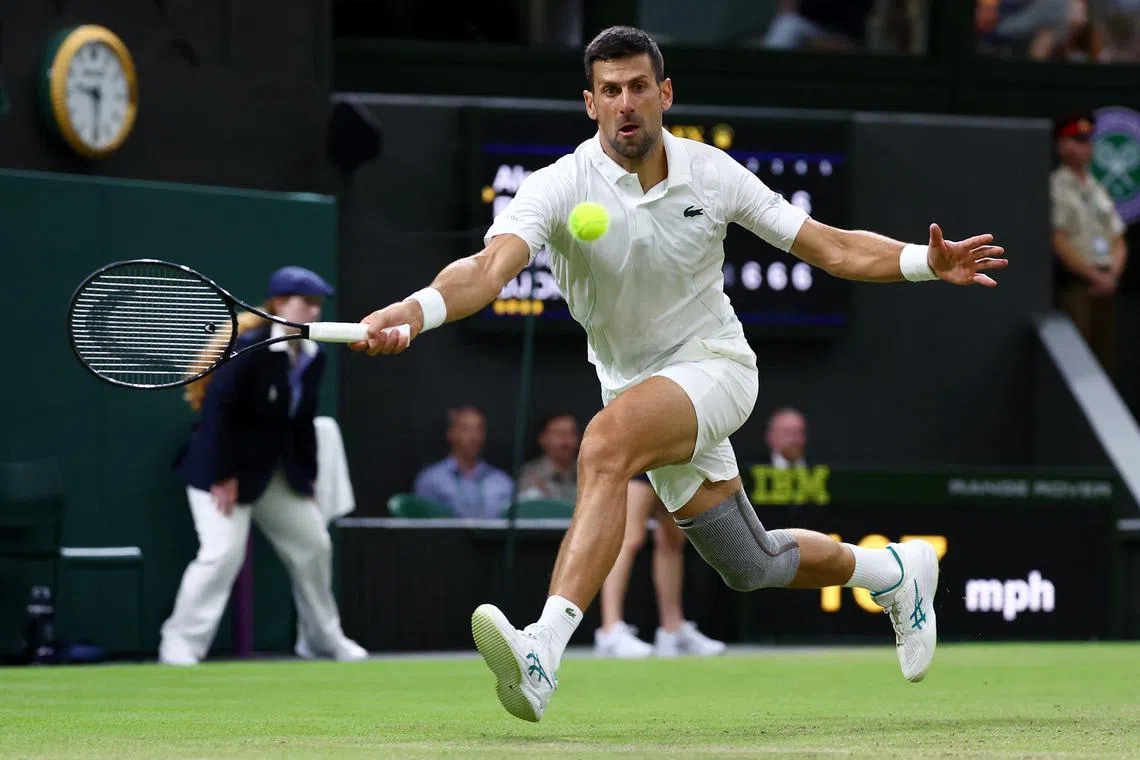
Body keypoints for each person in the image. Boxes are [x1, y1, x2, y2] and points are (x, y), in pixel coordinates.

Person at [353, 26, 1007, 722]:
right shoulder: (557, 185)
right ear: (590, 103)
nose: (626, 102)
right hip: (635, 387)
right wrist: (413, 312)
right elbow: (486, 272)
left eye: (638, 86)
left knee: (604, 446)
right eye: (610, 90)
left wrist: (922, 262)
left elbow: (834, 249)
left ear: (664, 93)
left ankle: (543, 649)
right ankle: (897, 573)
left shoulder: (713, 173)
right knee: (749, 562)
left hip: (716, 368)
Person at [160, 266, 367, 666]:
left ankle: (322, 639)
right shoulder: (250, 349)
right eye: (304, 301)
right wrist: (223, 476)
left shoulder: (313, 356)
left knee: (314, 544)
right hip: (220, 469)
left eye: (316, 303)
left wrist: (305, 480)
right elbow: (218, 413)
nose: (313, 310)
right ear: (279, 304)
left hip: (272, 473)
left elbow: (301, 423)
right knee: (222, 553)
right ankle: (179, 643)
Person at [595, 474, 726, 658]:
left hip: (669, 458)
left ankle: (672, 630)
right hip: (639, 453)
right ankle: (610, 630)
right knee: (629, 537)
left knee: (672, 539)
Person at [1050, 111, 1128, 379]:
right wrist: (1093, 275)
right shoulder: (1057, 187)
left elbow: (1117, 238)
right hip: (1077, 286)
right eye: (1079, 140)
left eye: (1089, 140)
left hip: (1106, 284)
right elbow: (1059, 241)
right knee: (1077, 363)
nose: (1087, 147)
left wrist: (1112, 275)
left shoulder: (1098, 188)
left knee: (1105, 361)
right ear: (1063, 146)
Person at [413, 406, 514, 518]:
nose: (474, 436)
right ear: (451, 433)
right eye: (466, 429)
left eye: (479, 429)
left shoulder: (502, 482)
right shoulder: (431, 480)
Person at [518, 412, 581, 503]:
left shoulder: (587, 473)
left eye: (571, 433)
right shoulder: (531, 474)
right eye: (559, 433)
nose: (566, 441)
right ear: (543, 438)